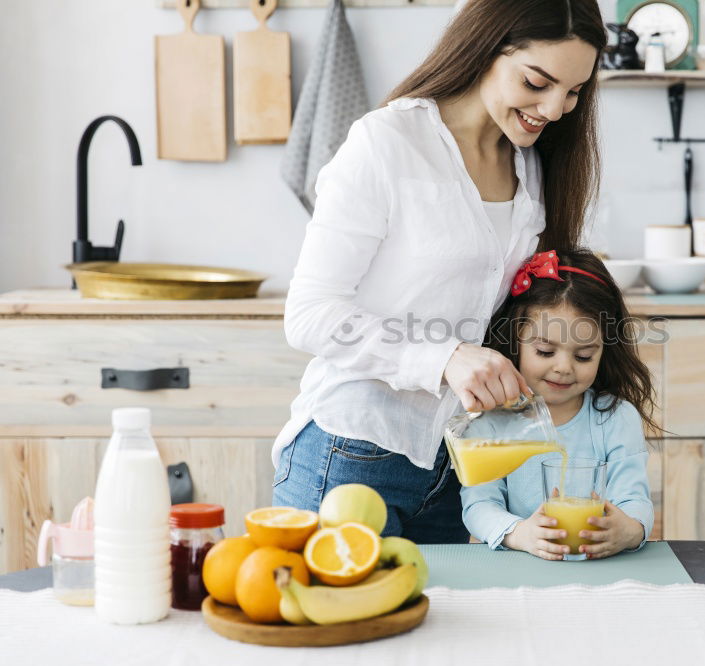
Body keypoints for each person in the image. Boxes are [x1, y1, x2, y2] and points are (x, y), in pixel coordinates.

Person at [271, 0, 607, 544]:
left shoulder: (531, 165)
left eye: (572, 92)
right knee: (341, 626)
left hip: (458, 468)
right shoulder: (388, 143)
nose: (553, 108)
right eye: (536, 82)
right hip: (351, 455)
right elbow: (309, 315)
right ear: (487, 48)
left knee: (439, 630)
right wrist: (443, 357)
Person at [461, 249, 661, 559]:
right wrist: (519, 533)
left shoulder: (616, 418)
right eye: (544, 351)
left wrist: (631, 530)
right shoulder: (491, 420)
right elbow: (478, 505)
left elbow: (634, 499)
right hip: (522, 569)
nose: (564, 367)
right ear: (516, 339)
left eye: (583, 356)